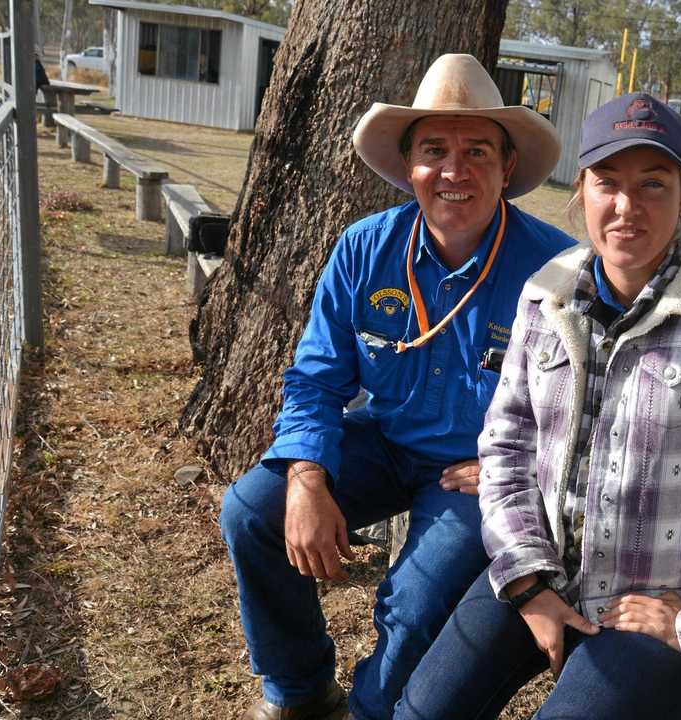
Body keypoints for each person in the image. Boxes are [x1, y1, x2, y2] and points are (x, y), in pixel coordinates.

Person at [397, 93, 681, 720]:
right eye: (607, 183)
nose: (627, 207)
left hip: (663, 601)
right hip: (544, 571)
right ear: (581, 190)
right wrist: (528, 582)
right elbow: (506, 446)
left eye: (653, 185)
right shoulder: (546, 297)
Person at [218, 54, 574, 720]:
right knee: (251, 514)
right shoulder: (364, 248)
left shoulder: (554, 268)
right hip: (382, 440)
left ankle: (371, 709)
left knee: (416, 600)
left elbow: (587, 405)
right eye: (434, 149)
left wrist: (517, 465)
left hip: (475, 473)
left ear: (507, 168)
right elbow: (317, 374)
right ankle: (298, 691)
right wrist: (306, 477)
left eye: (477, 151)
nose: (454, 170)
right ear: (409, 166)